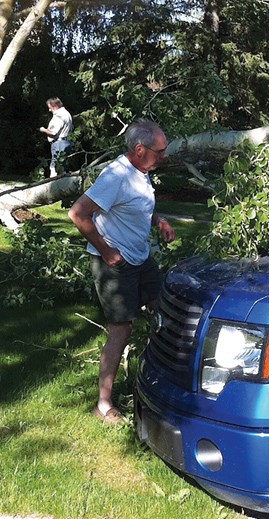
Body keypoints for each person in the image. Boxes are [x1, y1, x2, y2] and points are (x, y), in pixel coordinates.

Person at [69, 119, 176, 424]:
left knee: (163, 309)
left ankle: (159, 380)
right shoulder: (115, 175)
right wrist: (106, 251)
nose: (164, 156)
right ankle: (103, 404)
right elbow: (77, 213)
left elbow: (135, 205)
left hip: (140, 258)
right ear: (140, 150)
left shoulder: (140, 173)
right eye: (160, 151)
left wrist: (159, 221)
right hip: (115, 263)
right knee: (122, 328)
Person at [39, 97, 73, 178]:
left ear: (54, 106)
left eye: (50, 108)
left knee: (55, 168)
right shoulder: (67, 114)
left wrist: (43, 130)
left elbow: (53, 133)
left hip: (58, 144)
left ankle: (53, 186)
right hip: (66, 142)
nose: (49, 110)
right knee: (63, 167)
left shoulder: (59, 116)